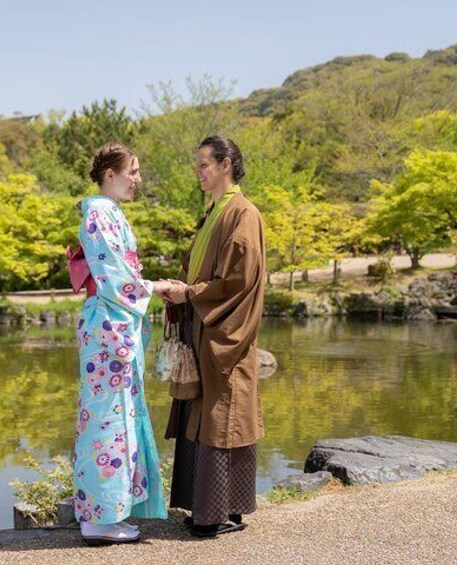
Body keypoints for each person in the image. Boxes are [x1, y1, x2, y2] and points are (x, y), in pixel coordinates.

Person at [164, 136, 266, 538]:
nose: (199, 172)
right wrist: (183, 288)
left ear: (226, 165)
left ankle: (215, 514)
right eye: (198, 166)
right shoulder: (216, 211)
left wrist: (190, 293)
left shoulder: (243, 213)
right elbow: (202, 273)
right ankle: (215, 509)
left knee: (224, 415)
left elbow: (239, 281)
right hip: (204, 327)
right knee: (209, 415)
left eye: (204, 165)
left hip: (225, 332)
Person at [72, 142, 170, 545]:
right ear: (109, 174)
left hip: (116, 327)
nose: (137, 179)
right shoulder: (97, 214)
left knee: (118, 417)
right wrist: (154, 286)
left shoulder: (109, 212)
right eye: (132, 171)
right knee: (105, 420)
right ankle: (98, 518)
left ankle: (111, 512)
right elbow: (113, 275)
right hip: (107, 327)